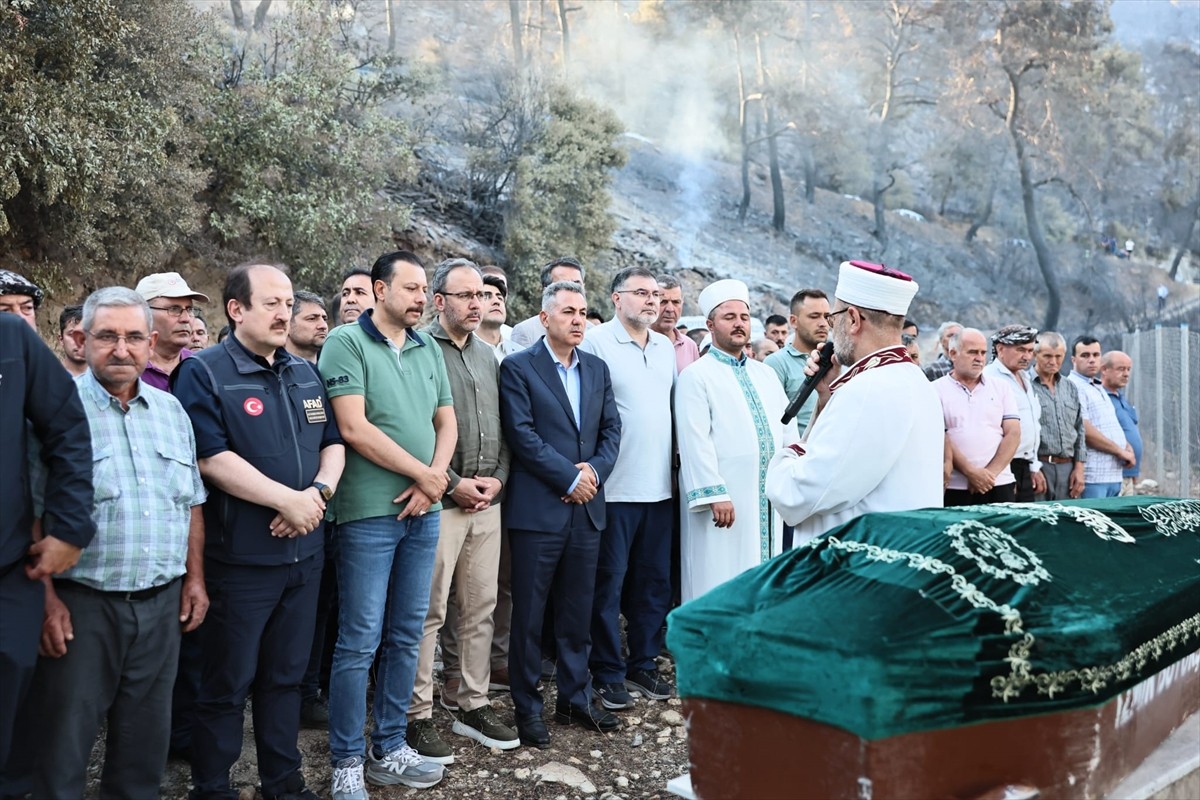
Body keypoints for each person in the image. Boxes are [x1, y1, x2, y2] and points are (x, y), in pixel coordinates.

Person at [24, 287, 208, 798]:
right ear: (80, 340)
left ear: (151, 343)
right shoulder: (52, 413)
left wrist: (194, 579)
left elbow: (190, 501)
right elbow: (30, 517)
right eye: (107, 336)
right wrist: (46, 601)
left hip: (160, 609)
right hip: (81, 609)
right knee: (61, 754)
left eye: (132, 338)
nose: (121, 350)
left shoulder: (173, 412)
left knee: (142, 755)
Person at [172, 263, 345, 800]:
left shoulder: (304, 372)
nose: (283, 312)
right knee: (226, 684)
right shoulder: (204, 372)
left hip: (305, 555)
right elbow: (209, 456)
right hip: (241, 562)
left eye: (287, 302)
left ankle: (283, 781)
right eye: (270, 302)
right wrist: (285, 501)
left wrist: (316, 495)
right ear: (236, 309)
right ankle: (213, 785)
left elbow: (333, 443)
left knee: (286, 679)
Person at [320, 251, 454, 797]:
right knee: (359, 640)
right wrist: (426, 475)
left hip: (425, 512)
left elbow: (446, 420)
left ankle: (390, 745)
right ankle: (346, 762)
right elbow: (353, 428)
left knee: (407, 633)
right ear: (380, 290)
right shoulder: (345, 342)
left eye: (425, 289)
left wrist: (434, 481)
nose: (422, 298)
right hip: (368, 513)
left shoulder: (427, 346)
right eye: (412, 288)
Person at [499, 280, 623, 748]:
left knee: (578, 610)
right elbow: (522, 435)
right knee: (529, 616)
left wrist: (591, 472)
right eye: (568, 311)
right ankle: (527, 708)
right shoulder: (518, 368)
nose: (578, 320)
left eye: (583, 312)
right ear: (544, 318)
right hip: (539, 512)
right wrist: (568, 478)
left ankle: (574, 697)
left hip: (588, 508)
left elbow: (612, 429)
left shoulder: (597, 369)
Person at [403, 259, 517, 764]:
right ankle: (416, 714)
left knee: (479, 606)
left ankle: (472, 703)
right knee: (427, 612)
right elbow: (411, 429)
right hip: (440, 502)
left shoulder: (490, 357)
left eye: (482, 294)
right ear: (438, 300)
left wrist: (498, 479)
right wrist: (452, 484)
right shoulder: (419, 350)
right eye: (466, 295)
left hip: (486, 502)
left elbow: (506, 428)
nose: (477, 303)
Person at [765, 261, 942, 542]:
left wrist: (783, 461)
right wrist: (825, 399)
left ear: (853, 319)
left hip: (855, 565)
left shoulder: (868, 389)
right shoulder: (916, 380)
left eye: (833, 319)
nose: (831, 330)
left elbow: (801, 493)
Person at [0, 315, 95, 798]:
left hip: (8, 575)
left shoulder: (10, 339)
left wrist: (70, 529)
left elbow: (67, 428)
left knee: (14, 738)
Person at [579, 267, 676, 711]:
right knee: (608, 585)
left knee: (653, 582)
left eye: (656, 294)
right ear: (617, 299)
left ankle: (643, 662)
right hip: (614, 487)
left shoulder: (664, 347)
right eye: (641, 293)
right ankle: (607, 670)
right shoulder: (596, 343)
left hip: (660, 488)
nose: (652, 301)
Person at [676, 279, 798, 601]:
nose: (739, 324)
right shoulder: (696, 376)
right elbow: (694, 439)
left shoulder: (766, 375)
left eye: (743, 317)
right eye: (729, 317)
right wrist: (715, 493)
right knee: (718, 574)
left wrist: (791, 476)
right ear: (710, 324)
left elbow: (788, 428)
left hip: (767, 499)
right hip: (724, 502)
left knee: (764, 575)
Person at [935, 328, 1020, 506]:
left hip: (998, 483)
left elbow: (1013, 433)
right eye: (973, 352)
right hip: (955, 486)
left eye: (983, 352)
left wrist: (988, 475)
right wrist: (970, 472)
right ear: (953, 353)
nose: (980, 358)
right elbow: (941, 437)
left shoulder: (1001, 387)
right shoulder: (935, 390)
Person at [983, 325, 1045, 501]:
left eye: (1030, 351)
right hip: (1002, 466)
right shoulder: (989, 378)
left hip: (1025, 465)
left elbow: (1034, 424)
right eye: (1021, 350)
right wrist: (1002, 471)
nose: (1027, 356)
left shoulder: (1025, 378)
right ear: (1000, 349)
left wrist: (1034, 467)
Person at [1067, 336, 1133, 498]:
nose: (1092, 360)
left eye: (1096, 355)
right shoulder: (1073, 386)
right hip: (1092, 476)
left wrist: (1126, 445)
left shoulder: (1096, 386)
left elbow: (1108, 424)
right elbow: (1085, 430)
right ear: (1073, 359)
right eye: (1085, 355)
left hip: (1113, 474)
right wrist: (1120, 451)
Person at [763, 289, 831, 433]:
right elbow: (771, 420)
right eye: (814, 316)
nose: (823, 323)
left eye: (827, 317)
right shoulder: (776, 363)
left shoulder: (838, 361)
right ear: (794, 321)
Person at [1029, 332, 1085, 500]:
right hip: (1039, 466)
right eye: (1047, 356)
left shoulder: (1070, 387)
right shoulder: (1024, 385)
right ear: (1034, 354)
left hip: (1068, 468)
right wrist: (1032, 468)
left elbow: (1079, 428)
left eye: (1058, 356)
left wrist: (1079, 468)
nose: (1053, 362)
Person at [135, 271, 209, 393]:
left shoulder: (202, 367)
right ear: (142, 313)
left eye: (189, 309)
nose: (185, 318)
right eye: (174, 309)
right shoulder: (127, 369)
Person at [507, 257, 585, 351]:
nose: (571, 289)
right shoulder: (526, 332)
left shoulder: (593, 332)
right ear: (546, 290)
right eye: (562, 285)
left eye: (577, 284)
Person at [1101, 351, 1141, 496]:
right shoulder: (1101, 398)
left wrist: (1135, 470)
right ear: (1104, 369)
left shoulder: (1121, 397)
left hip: (1128, 474)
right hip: (1112, 474)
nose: (1126, 374)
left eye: (1128, 369)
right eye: (1121, 369)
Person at [650, 274, 700, 373]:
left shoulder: (690, 346)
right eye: (663, 302)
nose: (670, 309)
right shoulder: (637, 343)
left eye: (676, 302)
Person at [474, 274, 515, 362]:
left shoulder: (518, 351)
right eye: (486, 296)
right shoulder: (461, 351)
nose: (496, 301)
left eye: (500, 298)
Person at [287, 290, 330, 363]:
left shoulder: (334, 369)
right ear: (287, 324)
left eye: (324, 319)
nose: (323, 326)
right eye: (312, 319)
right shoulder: (271, 370)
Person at [58, 304, 87, 376]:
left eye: (86, 335)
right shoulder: (46, 378)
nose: (80, 341)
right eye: (72, 335)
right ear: (61, 339)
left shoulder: (108, 380)